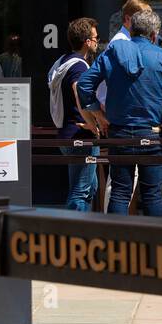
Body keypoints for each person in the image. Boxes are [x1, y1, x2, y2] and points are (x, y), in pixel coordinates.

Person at [77, 8, 162, 216]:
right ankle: (154, 246)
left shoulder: (112, 54)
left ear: (131, 31)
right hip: (153, 134)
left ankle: (118, 246)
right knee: (152, 194)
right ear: (154, 35)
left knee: (120, 193)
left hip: (119, 133)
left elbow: (84, 85)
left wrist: (97, 114)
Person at [47, 17, 100, 211]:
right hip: (80, 135)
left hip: (65, 133)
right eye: (95, 37)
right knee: (81, 191)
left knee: (90, 185)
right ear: (87, 41)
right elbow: (79, 91)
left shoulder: (62, 61)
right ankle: (75, 234)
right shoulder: (79, 66)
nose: (97, 41)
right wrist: (92, 123)